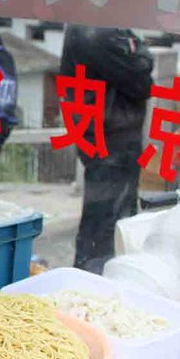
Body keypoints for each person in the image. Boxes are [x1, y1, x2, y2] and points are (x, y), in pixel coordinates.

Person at [60, 25, 154, 274]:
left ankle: (94, 279)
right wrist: (141, 51)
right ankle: (95, 283)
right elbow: (141, 81)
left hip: (100, 132)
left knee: (105, 220)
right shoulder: (100, 31)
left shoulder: (87, 25)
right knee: (107, 225)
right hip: (110, 136)